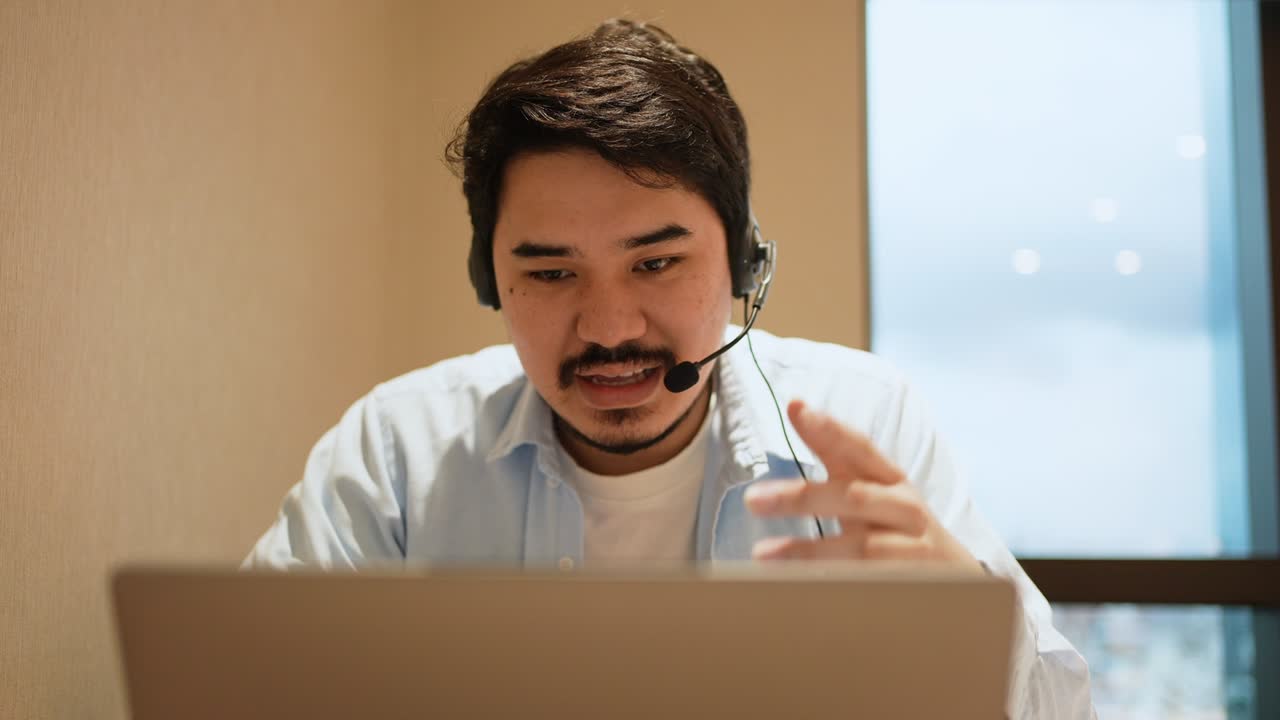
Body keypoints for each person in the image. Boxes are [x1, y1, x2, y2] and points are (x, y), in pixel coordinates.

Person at [245, 18, 1096, 718]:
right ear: (487, 277)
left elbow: (1061, 713)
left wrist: (966, 624)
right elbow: (243, 687)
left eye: (655, 264)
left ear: (744, 265)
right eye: (549, 273)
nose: (610, 328)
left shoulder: (865, 422)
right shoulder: (397, 452)